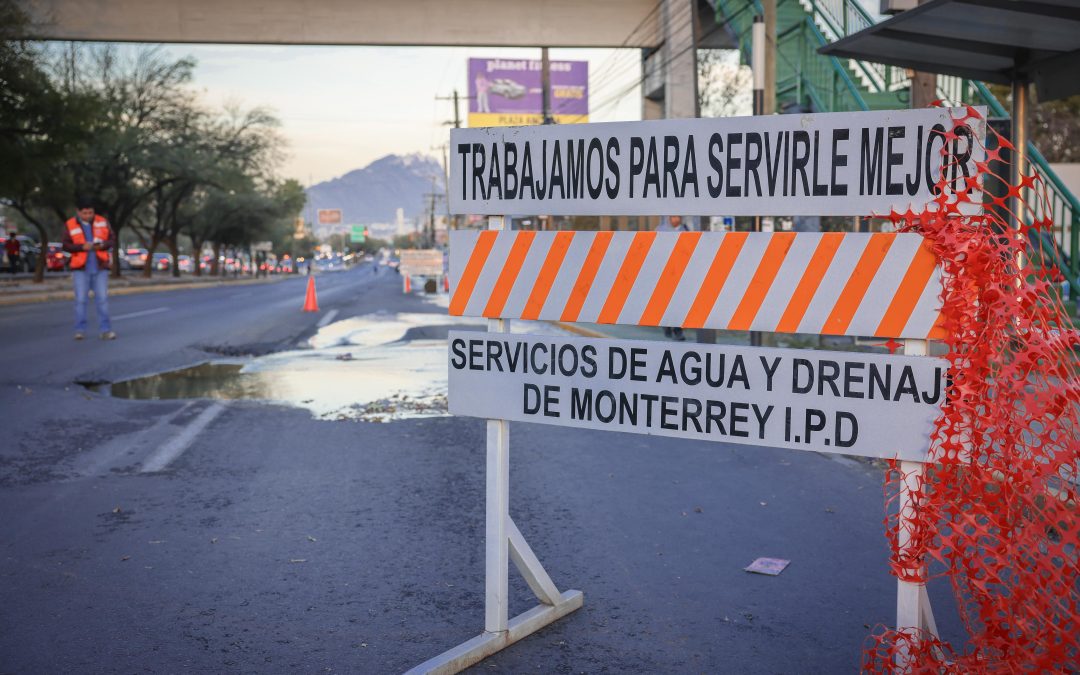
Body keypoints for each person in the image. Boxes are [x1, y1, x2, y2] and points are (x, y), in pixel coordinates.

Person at [62, 197, 115, 340]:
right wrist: (81, 247)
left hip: (100, 267)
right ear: (78, 212)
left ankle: (106, 330)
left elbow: (112, 240)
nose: (88, 216)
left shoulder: (102, 222)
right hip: (80, 268)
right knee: (80, 300)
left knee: (102, 300)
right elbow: (65, 245)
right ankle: (80, 330)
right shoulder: (70, 224)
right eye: (84, 213)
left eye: (90, 212)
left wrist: (102, 245)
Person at [656, 215, 689, 341]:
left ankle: (677, 330)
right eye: (673, 217)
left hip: (679, 273)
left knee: (678, 302)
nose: (676, 219)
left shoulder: (685, 229)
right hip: (664, 272)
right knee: (665, 301)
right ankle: (666, 325)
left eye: (678, 217)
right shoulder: (660, 229)